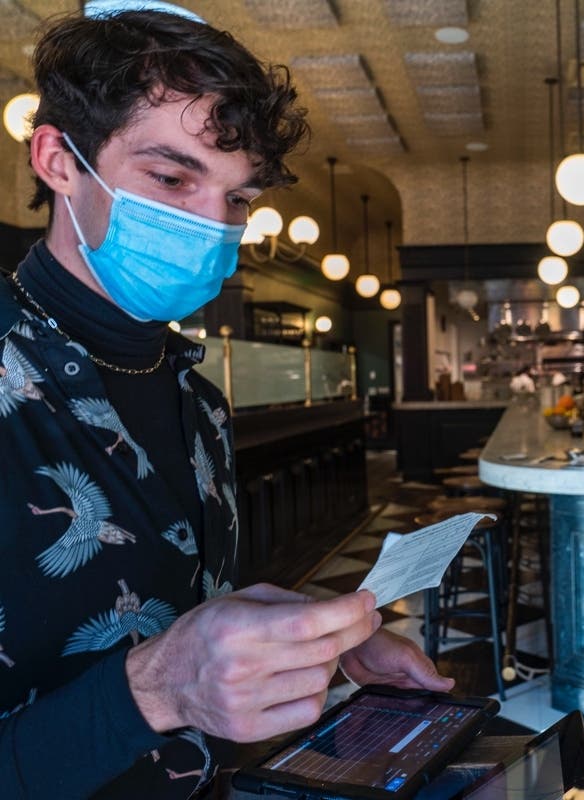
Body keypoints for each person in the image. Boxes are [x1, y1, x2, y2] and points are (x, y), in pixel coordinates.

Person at [0, 9, 451, 799]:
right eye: (171, 177)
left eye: (237, 198)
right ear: (57, 160)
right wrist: (155, 691)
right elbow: (161, 675)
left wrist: (311, 644)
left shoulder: (197, 399)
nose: (212, 225)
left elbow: (163, 603)